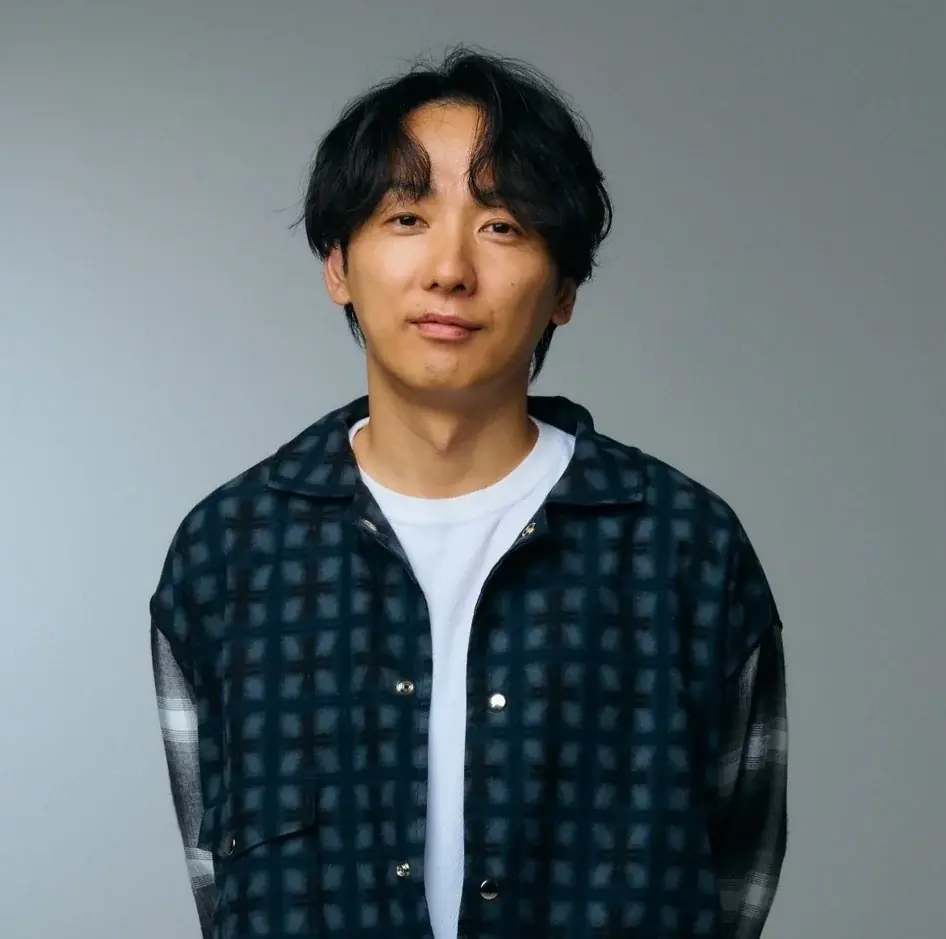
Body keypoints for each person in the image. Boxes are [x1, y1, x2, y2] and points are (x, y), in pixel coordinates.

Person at [150, 45, 787, 939]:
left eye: (502, 225)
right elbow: (220, 882)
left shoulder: (685, 546)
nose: (449, 269)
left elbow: (735, 877)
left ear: (564, 288)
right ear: (338, 264)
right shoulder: (229, 552)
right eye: (406, 216)